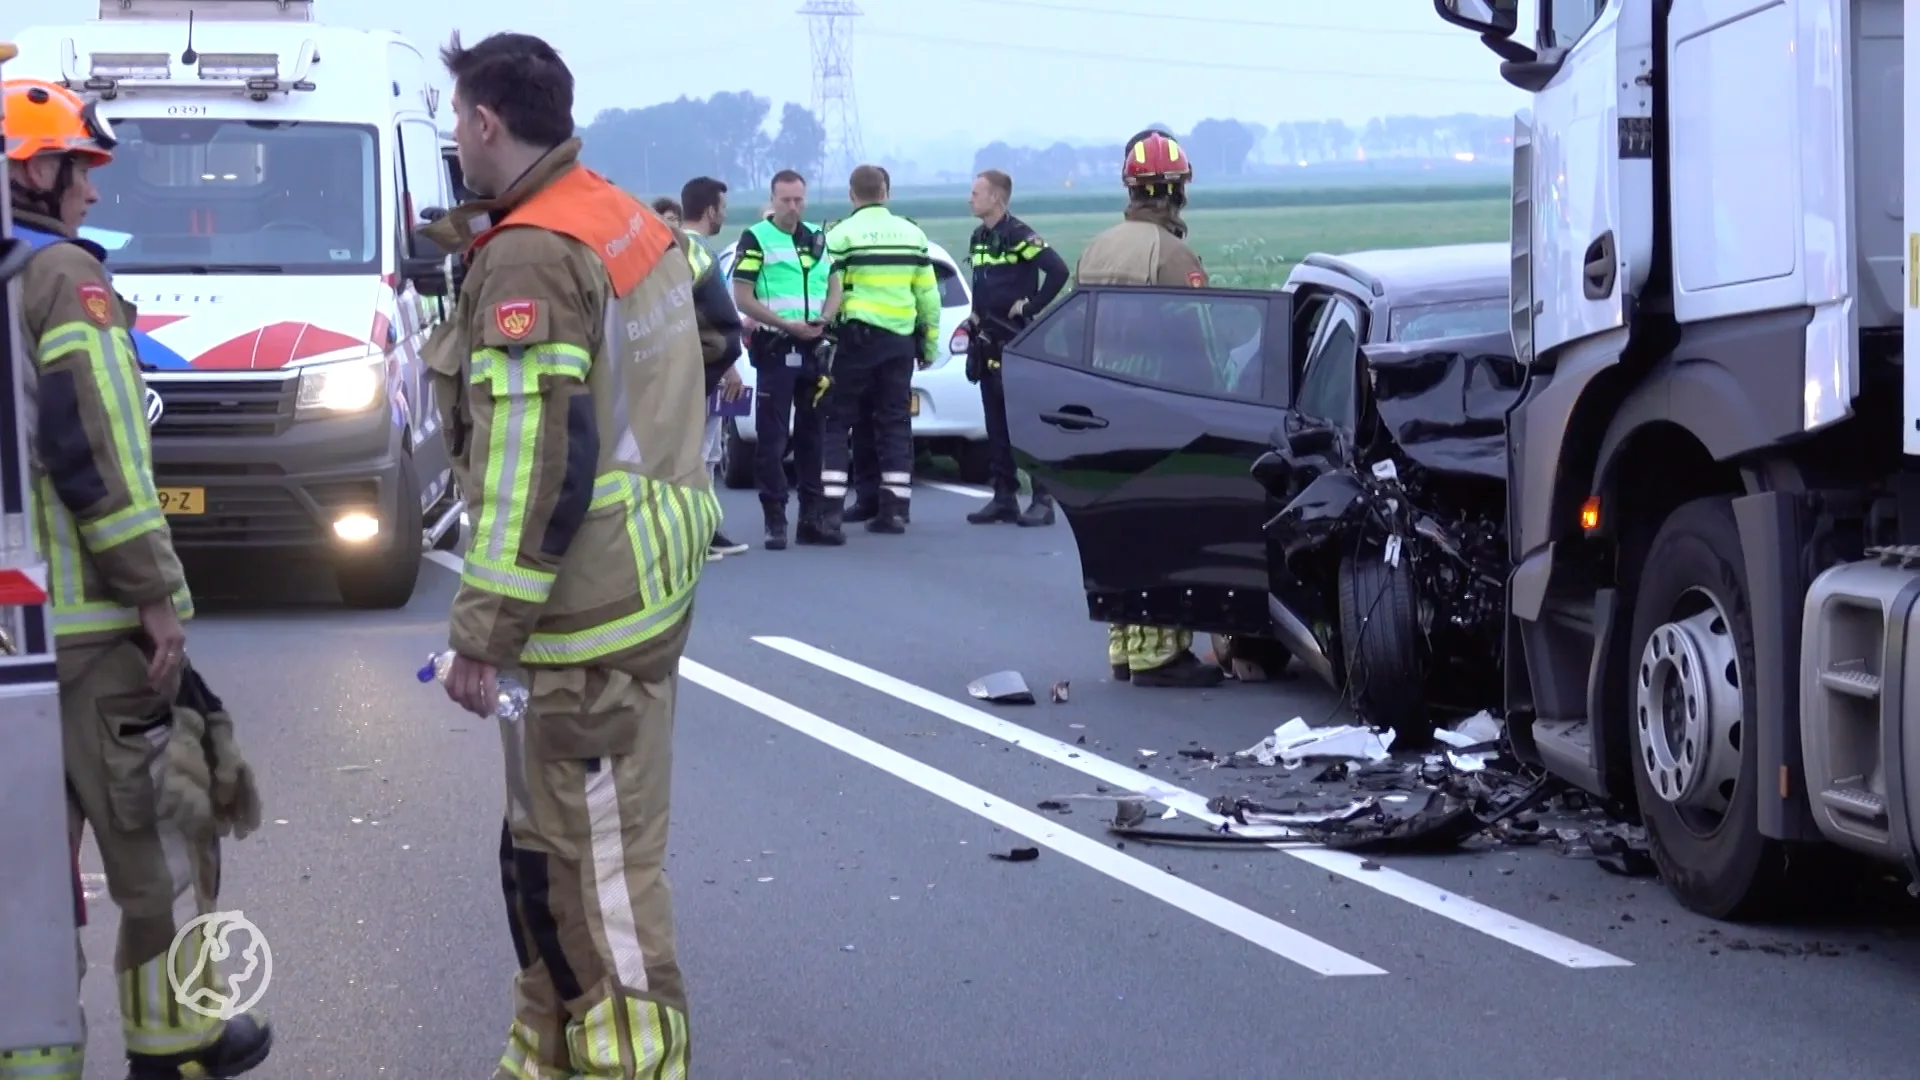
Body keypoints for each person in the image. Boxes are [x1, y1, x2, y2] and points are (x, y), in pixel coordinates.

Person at [423, 32, 713, 1077]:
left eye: (458, 118)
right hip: (642, 591)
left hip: (579, 619)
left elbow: (532, 463)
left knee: (591, 877)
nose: (454, 137)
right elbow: (708, 344)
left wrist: (478, 637)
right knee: (554, 858)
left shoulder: (532, 255)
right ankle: (549, 1055)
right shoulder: (623, 216)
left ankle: (631, 1062)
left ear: (487, 122)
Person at [1, 77, 273, 1079]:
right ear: (35, 168)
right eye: (81, 170)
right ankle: (179, 1043)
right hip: (80, 629)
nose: (92, 195)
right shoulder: (65, 281)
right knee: (156, 848)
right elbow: (102, 453)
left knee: (18, 876)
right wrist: (156, 594)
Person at [1074, 129, 1225, 689]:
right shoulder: (1173, 254)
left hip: (1100, 410)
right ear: (1178, 191)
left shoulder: (1097, 248)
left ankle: (1125, 648)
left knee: (1120, 529)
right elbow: (1203, 336)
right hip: (1161, 414)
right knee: (1167, 529)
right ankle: (1159, 654)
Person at [816, 164, 940, 539]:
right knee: (894, 422)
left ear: (852, 195)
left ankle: (831, 512)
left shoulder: (840, 235)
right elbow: (928, 297)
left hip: (855, 338)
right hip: (899, 342)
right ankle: (896, 510)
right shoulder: (912, 234)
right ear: (886, 192)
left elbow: (827, 288)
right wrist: (929, 344)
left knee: (838, 421)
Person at [729, 170, 832, 549]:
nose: (793, 207)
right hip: (776, 349)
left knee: (813, 438)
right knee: (772, 440)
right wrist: (786, 325)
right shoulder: (757, 237)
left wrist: (827, 317)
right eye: (786, 200)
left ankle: (812, 519)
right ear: (773, 200)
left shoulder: (815, 239)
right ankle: (775, 519)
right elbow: (743, 296)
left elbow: (833, 282)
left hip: (813, 349)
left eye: (799, 200)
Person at [962, 168, 1068, 526]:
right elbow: (981, 285)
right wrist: (973, 318)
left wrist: (1032, 306)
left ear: (997, 198)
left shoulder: (1020, 235)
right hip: (987, 340)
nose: (970, 198)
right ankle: (1004, 497)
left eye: (976, 192)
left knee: (1024, 423)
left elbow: (1058, 272)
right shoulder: (979, 237)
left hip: (1017, 339)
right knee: (996, 423)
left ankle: (1042, 500)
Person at [677, 175, 749, 558]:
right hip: (704, 368)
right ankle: (699, 533)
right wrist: (730, 368)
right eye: (723, 207)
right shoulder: (701, 253)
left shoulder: (674, 248)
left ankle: (705, 529)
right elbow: (710, 318)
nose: (725, 214)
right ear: (710, 210)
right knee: (702, 455)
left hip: (688, 367)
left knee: (704, 454)